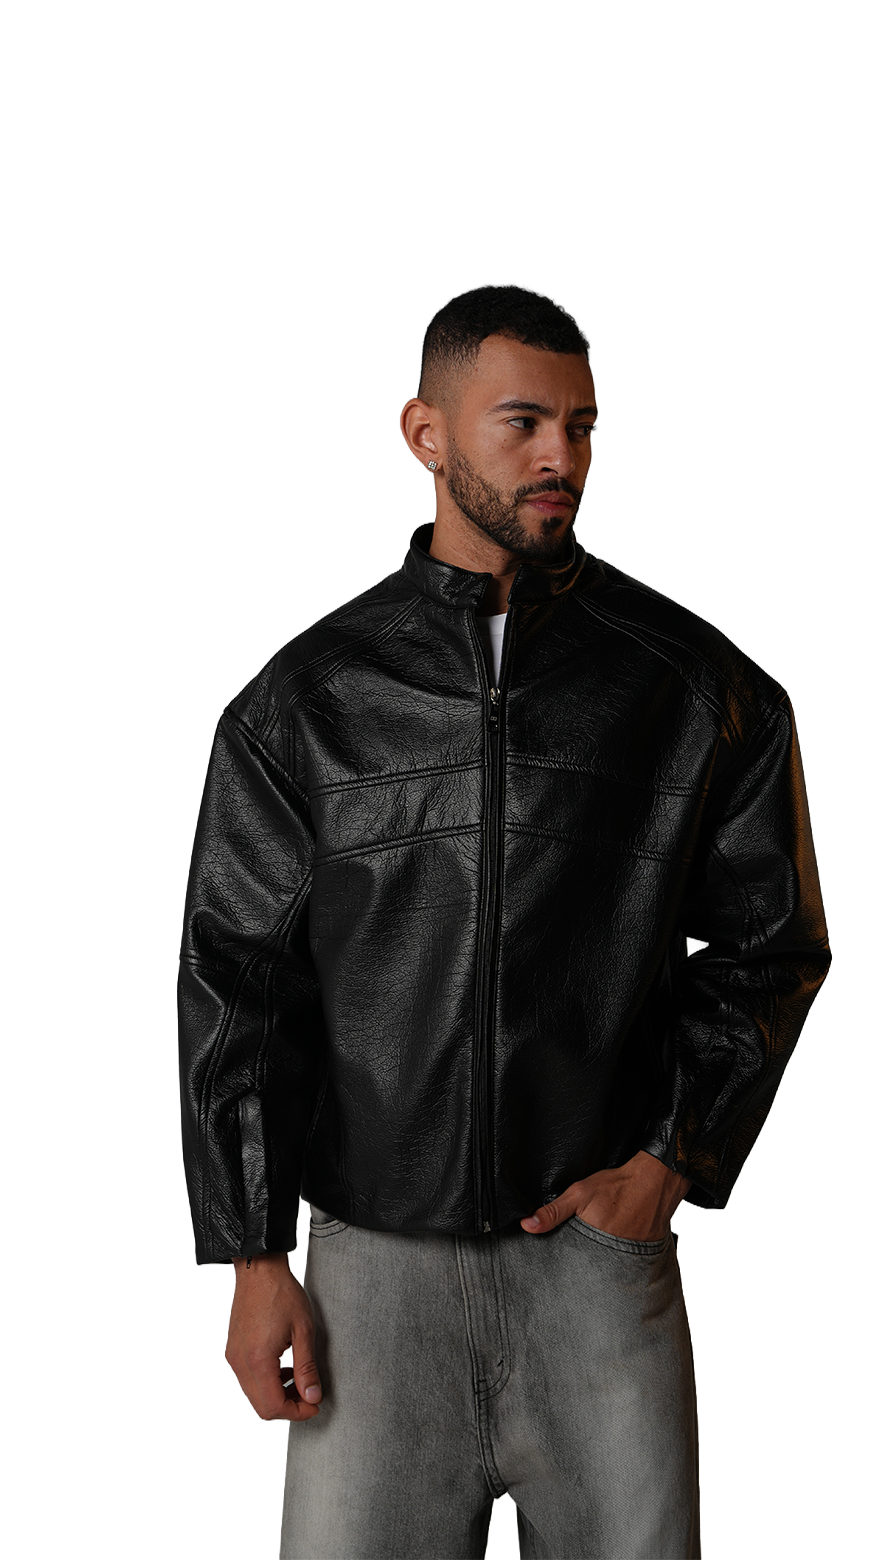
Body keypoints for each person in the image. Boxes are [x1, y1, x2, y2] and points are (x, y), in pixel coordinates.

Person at [179, 284, 831, 1560]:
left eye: (580, 426)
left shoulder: (693, 689)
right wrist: (252, 1258)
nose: (559, 457)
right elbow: (236, 980)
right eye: (522, 422)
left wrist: (669, 1160)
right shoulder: (306, 703)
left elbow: (775, 943)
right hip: (374, 1277)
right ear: (425, 433)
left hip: (594, 1268)